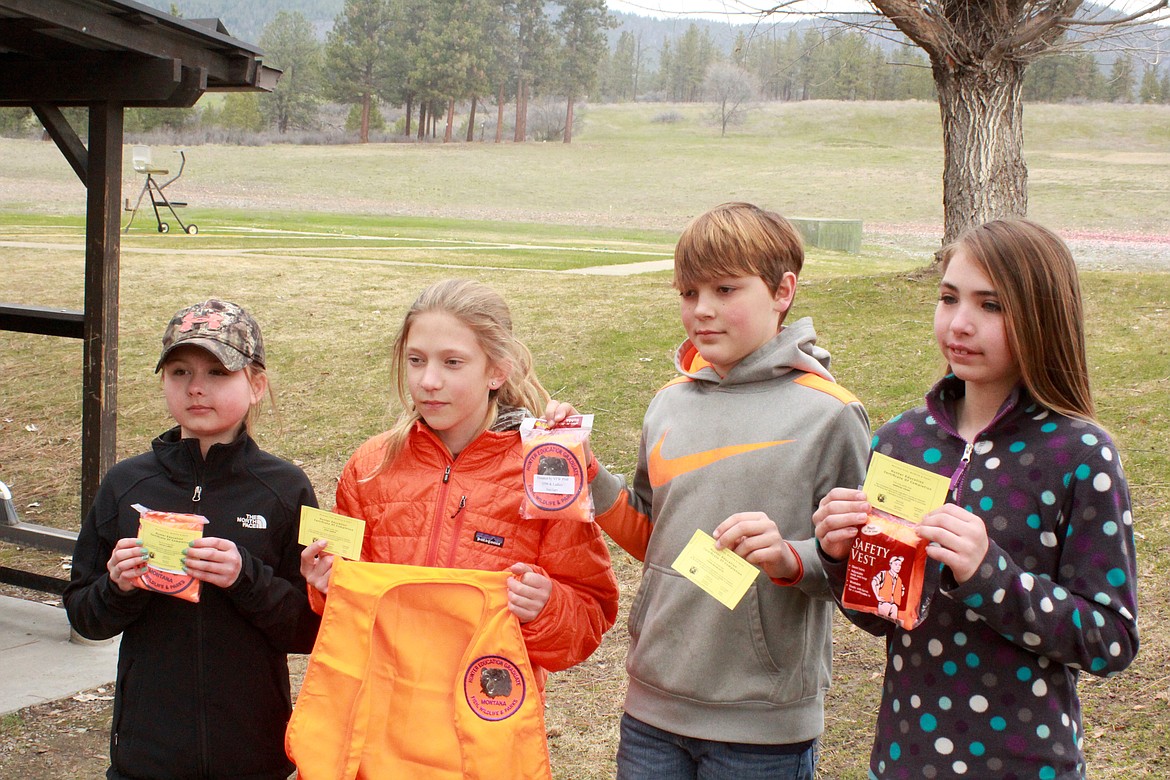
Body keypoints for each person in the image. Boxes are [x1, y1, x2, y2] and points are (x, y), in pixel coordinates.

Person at [813, 219, 1140, 779]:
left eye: (991, 305)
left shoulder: (1081, 455)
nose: (959, 323)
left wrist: (990, 575)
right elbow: (882, 616)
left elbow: (1110, 639)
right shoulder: (901, 441)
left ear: (1042, 317)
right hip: (904, 760)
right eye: (949, 297)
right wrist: (843, 559)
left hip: (1026, 764)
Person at [578, 202, 872, 779]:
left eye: (725, 289)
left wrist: (790, 559)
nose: (702, 310)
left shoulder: (830, 415)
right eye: (688, 293)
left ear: (782, 291)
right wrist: (583, 469)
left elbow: (862, 568)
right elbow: (651, 534)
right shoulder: (668, 404)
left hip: (760, 725)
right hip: (652, 708)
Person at [296, 278, 619, 725]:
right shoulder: (369, 467)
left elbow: (589, 613)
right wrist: (325, 582)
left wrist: (546, 605)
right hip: (381, 722)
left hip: (485, 729)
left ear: (497, 369)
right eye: (416, 361)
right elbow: (345, 608)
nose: (429, 381)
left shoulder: (544, 470)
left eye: (452, 362)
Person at [64, 299, 321, 780]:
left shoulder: (285, 490)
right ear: (163, 381)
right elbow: (83, 614)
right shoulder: (126, 485)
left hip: (252, 754)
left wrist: (246, 577)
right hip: (146, 755)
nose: (197, 388)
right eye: (180, 371)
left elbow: (309, 629)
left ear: (256, 385)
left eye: (218, 373)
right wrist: (117, 586)